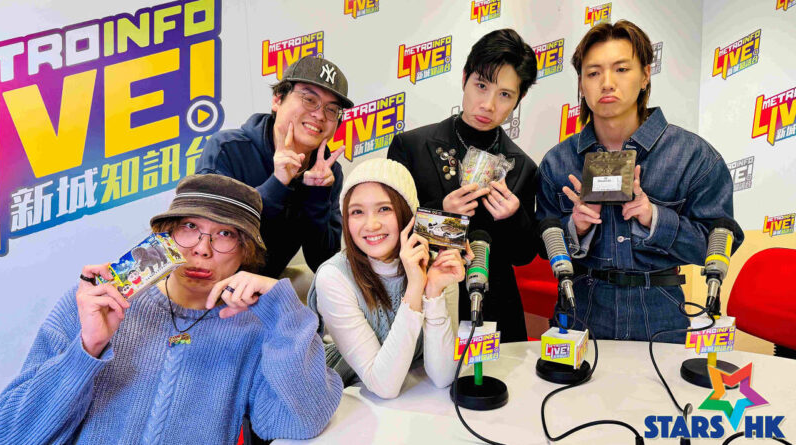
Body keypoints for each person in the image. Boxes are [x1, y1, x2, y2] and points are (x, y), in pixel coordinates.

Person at [0, 174, 341, 443]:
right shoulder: (94, 303)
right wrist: (87, 348)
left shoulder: (254, 329)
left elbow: (299, 422)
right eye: (189, 227)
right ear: (164, 237)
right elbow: (10, 434)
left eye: (225, 234)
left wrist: (284, 314)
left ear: (245, 252)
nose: (202, 249)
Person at [535, 20, 743, 342]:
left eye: (621, 69)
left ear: (645, 75)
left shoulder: (694, 156)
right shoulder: (557, 162)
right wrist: (575, 228)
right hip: (582, 309)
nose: (607, 83)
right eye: (593, 73)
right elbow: (542, 244)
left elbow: (720, 244)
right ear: (581, 84)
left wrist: (654, 218)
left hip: (662, 310)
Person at [388, 29, 540, 343]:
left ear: (519, 99)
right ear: (464, 79)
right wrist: (442, 214)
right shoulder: (411, 147)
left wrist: (513, 217)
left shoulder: (522, 166)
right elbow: (389, 235)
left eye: (505, 95)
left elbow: (523, 256)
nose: (488, 104)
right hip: (426, 301)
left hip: (497, 310)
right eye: (481, 86)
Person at [307, 159, 469, 399]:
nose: (371, 224)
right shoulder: (334, 277)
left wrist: (433, 290)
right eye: (357, 212)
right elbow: (384, 386)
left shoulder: (437, 267)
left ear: (408, 214)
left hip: (410, 394)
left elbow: (443, 376)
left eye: (384, 209)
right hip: (345, 395)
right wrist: (415, 288)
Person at [196, 56, 354, 278]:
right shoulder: (227, 149)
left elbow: (323, 263)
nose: (319, 115)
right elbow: (210, 247)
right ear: (277, 100)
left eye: (332, 109)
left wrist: (317, 196)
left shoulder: (327, 172)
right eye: (309, 99)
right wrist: (277, 184)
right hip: (212, 287)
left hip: (267, 288)